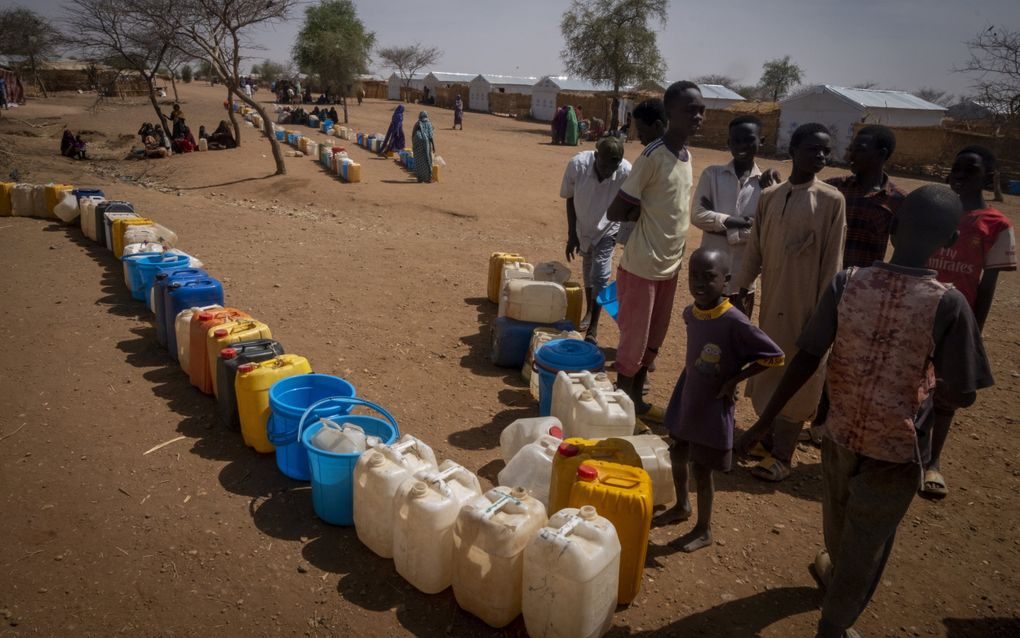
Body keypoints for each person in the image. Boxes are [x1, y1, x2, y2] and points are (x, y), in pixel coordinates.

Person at [737, 184, 993, 638]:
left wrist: (762, 421)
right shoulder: (948, 303)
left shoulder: (848, 282)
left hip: (839, 435)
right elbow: (962, 392)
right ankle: (833, 627)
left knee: (842, 533)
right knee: (865, 544)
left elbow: (807, 355)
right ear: (951, 241)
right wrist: (931, 395)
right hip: (895, 450)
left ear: (891, 228)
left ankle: (835, 601)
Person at [731, 123, 846, 482]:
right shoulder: (770, 197)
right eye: (813, 149)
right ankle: (766, 438)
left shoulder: (830, 201)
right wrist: (739, 289)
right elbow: (755, 251)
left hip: (808, 308)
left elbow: (833, 263)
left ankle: (783, 455)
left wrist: (824, 316)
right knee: (770, 368)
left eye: (826, 151)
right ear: (793, 150)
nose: (821, 157)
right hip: (773, 302)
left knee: (801, 378)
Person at [659, 248, 783, 546]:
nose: (699, 283)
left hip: (713, 402)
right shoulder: (692, 313)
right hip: (688, 395)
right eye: (694, 276)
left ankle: (704, 529)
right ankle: (681, 505)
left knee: (702, 469)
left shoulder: (735, 321)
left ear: (726, 281)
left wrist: (734, 380)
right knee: (677, 452)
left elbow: (774, 356)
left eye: (709, 277)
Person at [606, 81, 705, 427]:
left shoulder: (687, 156)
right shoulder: (652, 156)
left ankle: (636, 401)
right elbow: (618, 208)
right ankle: (622, 413)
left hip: (670, 267)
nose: (698, 117)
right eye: (691, 110)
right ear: (670, 113)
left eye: (701, 110)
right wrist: (640, 213)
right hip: (642, 266)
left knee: (654, 341)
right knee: (633, 342)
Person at [920, 146, 1015, 499]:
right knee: (912, 387)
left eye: (970, 169)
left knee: (946, 392)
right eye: (956, 167)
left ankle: (933, 462)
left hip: (956, 321)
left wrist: (973, 333)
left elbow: (987, 286)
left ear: (987, 176)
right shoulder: (936, 209)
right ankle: (908, 455)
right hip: (918, 311)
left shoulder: (996, 225)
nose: (959, 174)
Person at [692, 115, 780, 317]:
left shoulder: (768, 184)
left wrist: (717, 223)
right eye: (736, 141)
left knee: (738, 335)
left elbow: (769, 228)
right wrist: (742, 223)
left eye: (749, 140)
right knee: (707, 334)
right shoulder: (711, 175)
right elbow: (697, 216)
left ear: (761, 141)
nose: (742, 145)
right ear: (728, 143)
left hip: (744, 278)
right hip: (710, 278)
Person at [561, 136, 632, 344]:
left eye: (614, 164)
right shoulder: (578, 165)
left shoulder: (626, 171)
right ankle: (590, 310)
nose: (609, 169)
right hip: (583, 225)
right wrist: (572, 234)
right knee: (588, 266)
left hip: (609, 226)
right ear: (595, 156)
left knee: (600, 274)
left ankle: (593, 328)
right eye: (605, 163)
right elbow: (570, 197)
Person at [412, 111, 436, 183]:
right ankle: (428, 178)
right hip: (426, 143)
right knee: (427, 159)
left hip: (417, 143)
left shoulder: (417, 123)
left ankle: (420, 178)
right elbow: (431, 136)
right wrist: (434, 146)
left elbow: (413, 135)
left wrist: (414, 144)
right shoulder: (429, 124)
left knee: (419, 160)